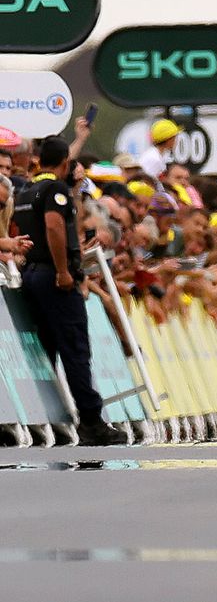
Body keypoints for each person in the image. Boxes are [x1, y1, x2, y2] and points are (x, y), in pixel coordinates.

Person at [12, 136, 125, 445]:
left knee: (47, 348)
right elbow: (53, 227)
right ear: (64, 164)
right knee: (75, 349)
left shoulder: (27, 189)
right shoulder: (54, 190)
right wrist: (63, 270)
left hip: (32, 274)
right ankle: (91, 421)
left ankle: (48, 416)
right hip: (53, 276)